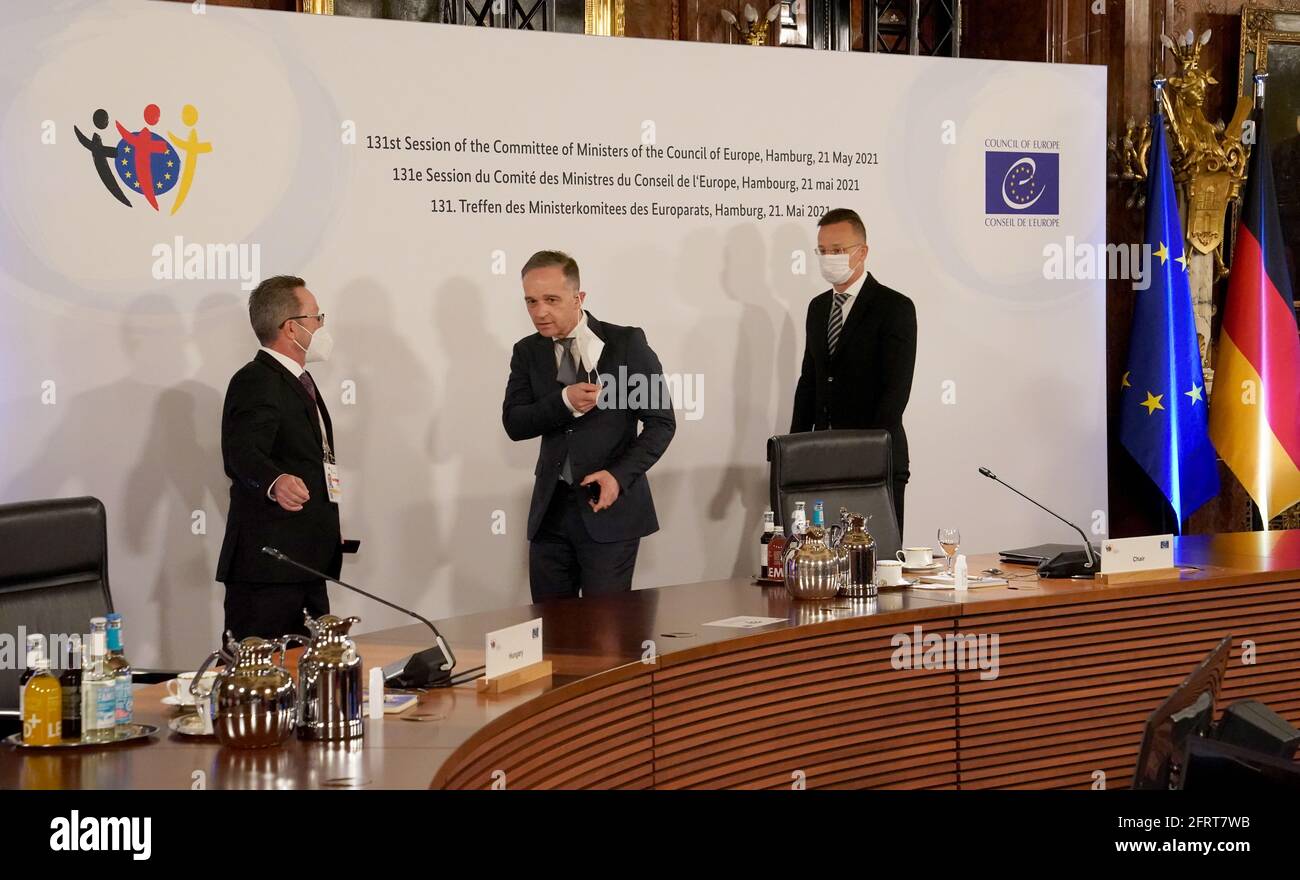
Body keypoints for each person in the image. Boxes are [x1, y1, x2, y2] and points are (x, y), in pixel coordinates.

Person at [503, 250, 675, 602]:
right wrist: (563, 401)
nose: (540, 312)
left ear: (579, 297)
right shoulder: (527, 352)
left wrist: (618, 476)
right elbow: (515, 423)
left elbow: (661, 423)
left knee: (606, 638)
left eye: (551, 300)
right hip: (549, 515)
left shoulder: (627, 343)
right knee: (550, 635)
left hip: (609, 511)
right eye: (531, 301)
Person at [216, 275, 342, 639]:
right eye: (316, 318)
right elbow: (240, 452)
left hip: (305, 564)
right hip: (269, 571)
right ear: (291, 328)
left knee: (312, 679)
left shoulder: (301, 379)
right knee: (261, 683)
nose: (321, 326)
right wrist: (274, 481)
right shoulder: (256, 379)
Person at [790, 208, 917, 530]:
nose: (829, 258)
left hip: (875, 458)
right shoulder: (818, 308)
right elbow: (810, 381)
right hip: (824, 459)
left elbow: (896, 390)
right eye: (822, 251)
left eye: (838, 251)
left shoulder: (894, 307)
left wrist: (864, 451)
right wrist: (795, 448)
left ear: (862, 252)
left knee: (877, 560)